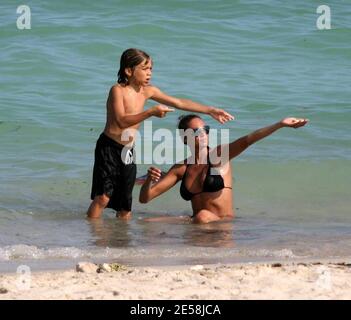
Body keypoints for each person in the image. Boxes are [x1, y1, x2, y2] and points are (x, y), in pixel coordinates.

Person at [87, 48, 234, 219]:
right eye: (144, 69)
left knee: (125, 205)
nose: (149, 73)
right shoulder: (117, 91)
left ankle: (122, 242)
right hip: (109, 148)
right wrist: (150, 112)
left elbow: (178, 102)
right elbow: (121, 121)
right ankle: (93, 240)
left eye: (151, 69)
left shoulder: (148, 91)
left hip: (128, 150)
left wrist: (210, 110)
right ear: (128, 71)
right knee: (103, 198)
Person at [139, 114, 309, 224]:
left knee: (202, 216)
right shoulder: (181, 168)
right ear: (185, 138)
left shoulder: (218, 155)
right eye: (196, 132)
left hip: (222, 223)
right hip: (197, 222)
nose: (203, 134)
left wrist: (279, 124)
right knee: (147, 222)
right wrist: (149, 180)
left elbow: (248, 140)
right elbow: (145, 198)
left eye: (205, 130)